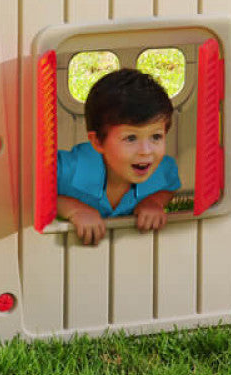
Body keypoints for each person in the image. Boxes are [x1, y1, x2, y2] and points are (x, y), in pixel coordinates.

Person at [56, 68, 181, 246]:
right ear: (98, 142)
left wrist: (154, 202)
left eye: (156, 137)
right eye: (131, 138)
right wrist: (74, 209)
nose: (146, 151)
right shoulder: (68, 169)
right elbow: (32, 192)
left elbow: (169, 187)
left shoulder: (162, 169)